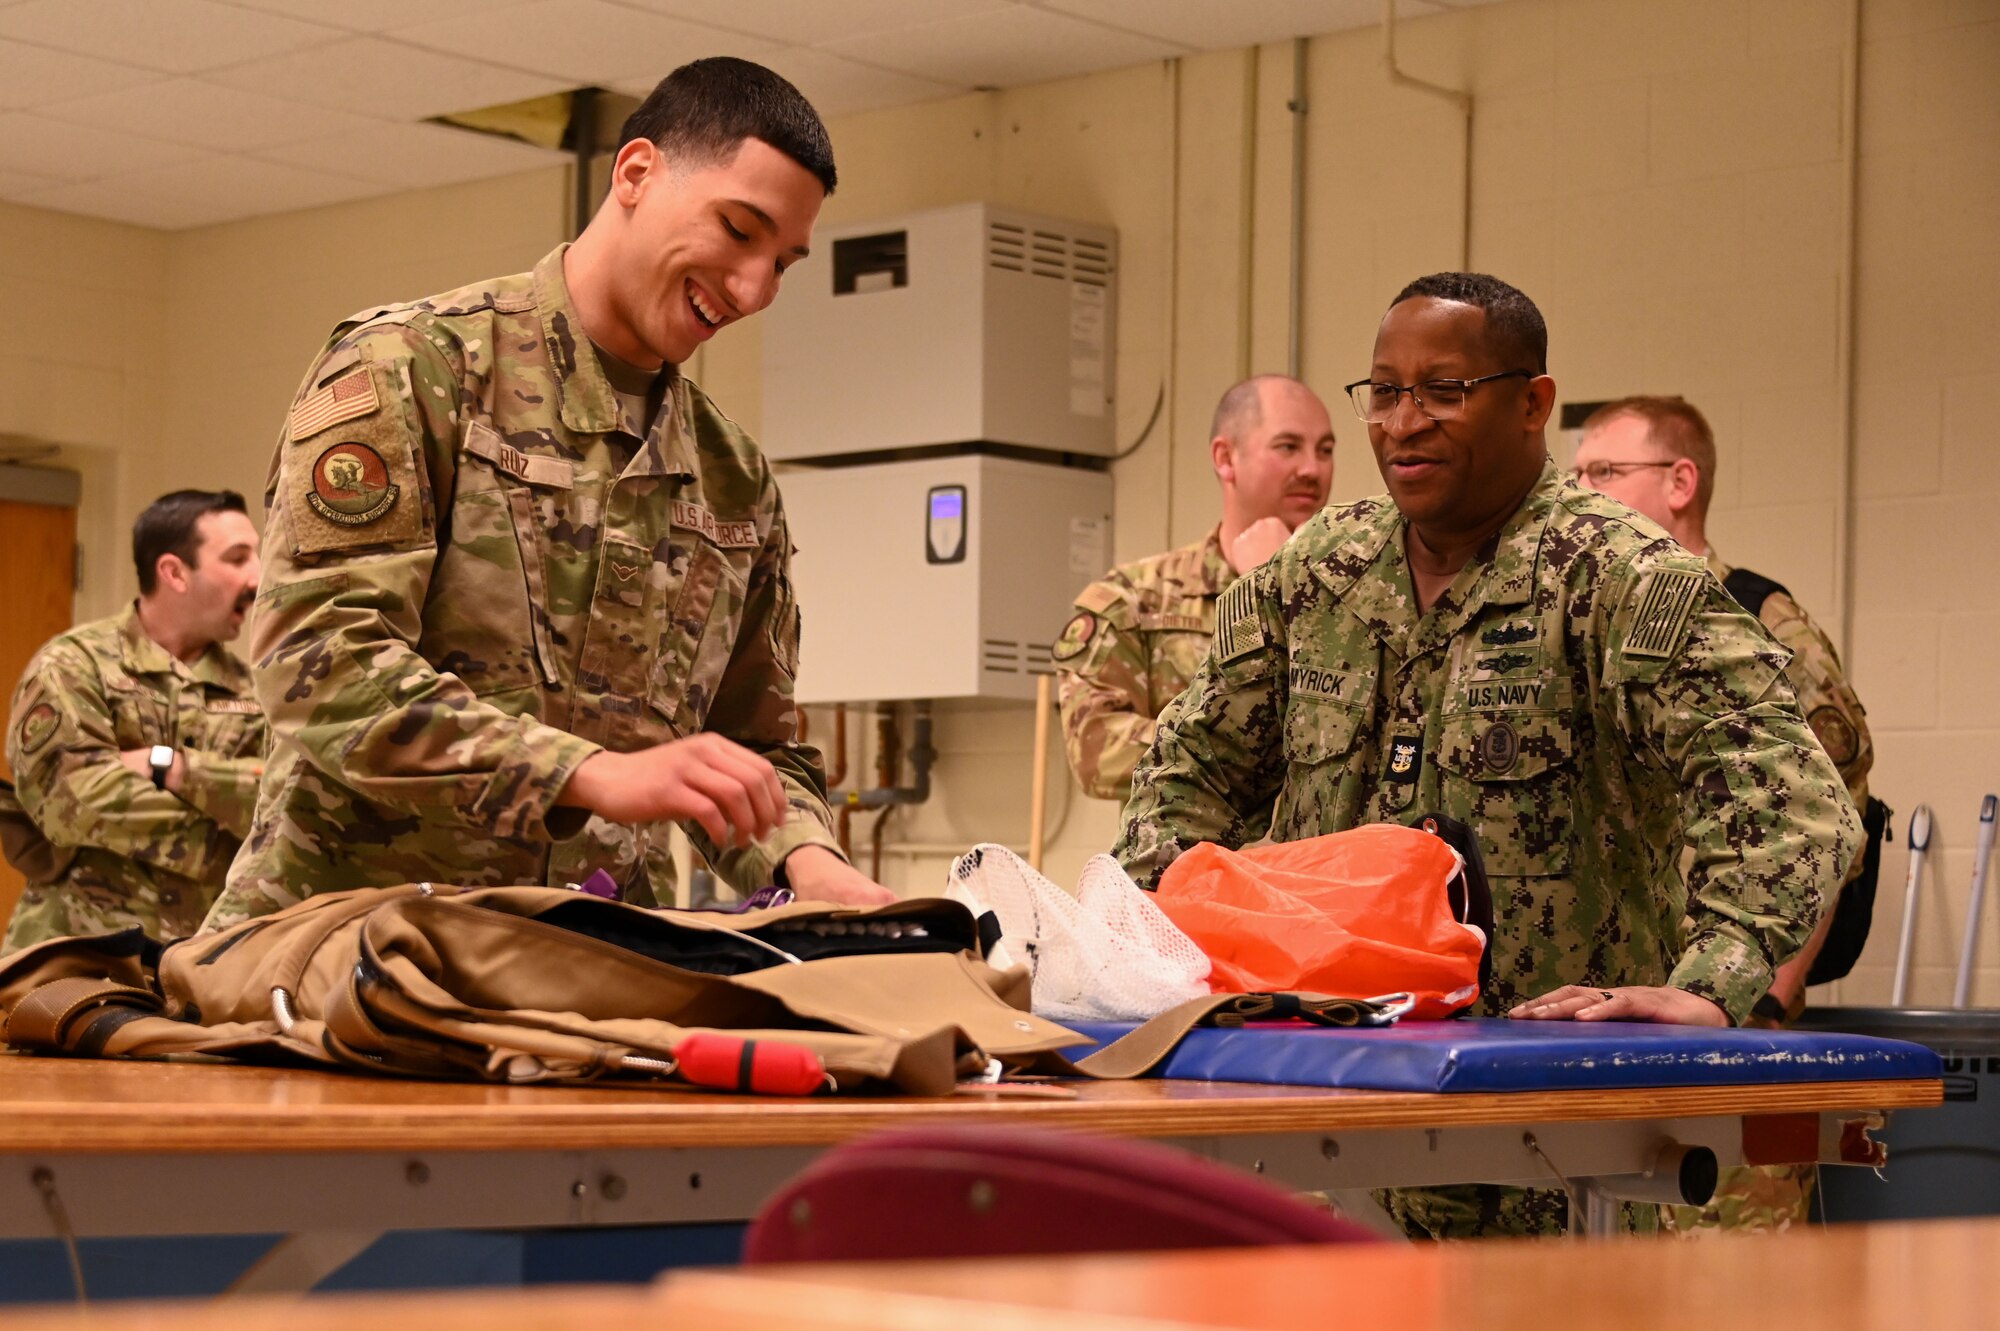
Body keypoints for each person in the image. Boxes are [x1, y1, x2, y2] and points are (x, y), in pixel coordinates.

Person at [1112, 272, 1861, 1238]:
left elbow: (1796, 802)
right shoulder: (1316, 576)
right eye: (1384, 392)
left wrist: (1710, 981)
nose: (1404, 422)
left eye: (1444, 390)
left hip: (1543, 1155)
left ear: (1533, 403)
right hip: (1307, 1129)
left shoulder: (1617, 579)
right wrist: (1154, 957)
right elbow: (1188, 777)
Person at [206, 57, 891, 931]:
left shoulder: (732, 475)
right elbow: (320, 660)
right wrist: (587, 772)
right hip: (348, 958)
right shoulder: (419, 368)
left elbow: (752, 746)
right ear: (636, 172)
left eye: (784, 262)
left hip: (582, 971)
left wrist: (818, 866)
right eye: (738, 229)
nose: (755, 289)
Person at [1573, 394, 1874, 1235]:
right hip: (1617, 1014)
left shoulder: (1758, 618)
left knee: (1733, 1276)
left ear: (1680, 481)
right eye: (1578, 474)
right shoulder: (1589, 617)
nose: (1583, 490)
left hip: (1727, 1020)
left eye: (1605, 471)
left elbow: (1825, 822)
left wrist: (1766, 998)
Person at [2, 490, 267, 952]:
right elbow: (71, 803)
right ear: (174, 572)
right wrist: (222, 843)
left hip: (200, 963)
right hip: (76, 957)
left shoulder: (255, 691)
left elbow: (277, 800)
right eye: (238, 558)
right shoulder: (74, 665)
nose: (258, 577)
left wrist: (176, 768)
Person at [1056, 375, 1335, 802]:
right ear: (1226, 458)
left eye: (1326, 450)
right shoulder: (1135, 600)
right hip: (1184, 863)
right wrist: (1255, 592)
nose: (1312, 469)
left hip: (1320, 863)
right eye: (1288, 447)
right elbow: (1095, 753)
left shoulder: (1360, 593)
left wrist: (1288, 591)